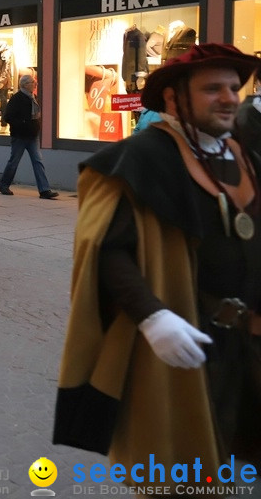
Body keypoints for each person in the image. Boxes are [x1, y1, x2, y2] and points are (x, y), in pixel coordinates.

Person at [54, 43, 261, 480]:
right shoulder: (141, 157)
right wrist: (153, 318)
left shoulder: (245, 157)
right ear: (173, 97)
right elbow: (107, 250)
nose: (228, 98)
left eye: (233, 87)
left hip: (250, 345)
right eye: (212, 89)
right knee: (184, 472)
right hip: (187, 340)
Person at [0, 75, 59, 199]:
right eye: (32, 82)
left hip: (32, 136)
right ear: (24, 85)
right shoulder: (17, 98)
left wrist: (35, 126)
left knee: (38, 161)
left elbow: (34, 116)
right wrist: (23, 124)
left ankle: (44, 190)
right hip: (20, 136)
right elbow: (7, 117)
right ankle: (3, 185)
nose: (35, 84)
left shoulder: (32, 98)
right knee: (14, 161)